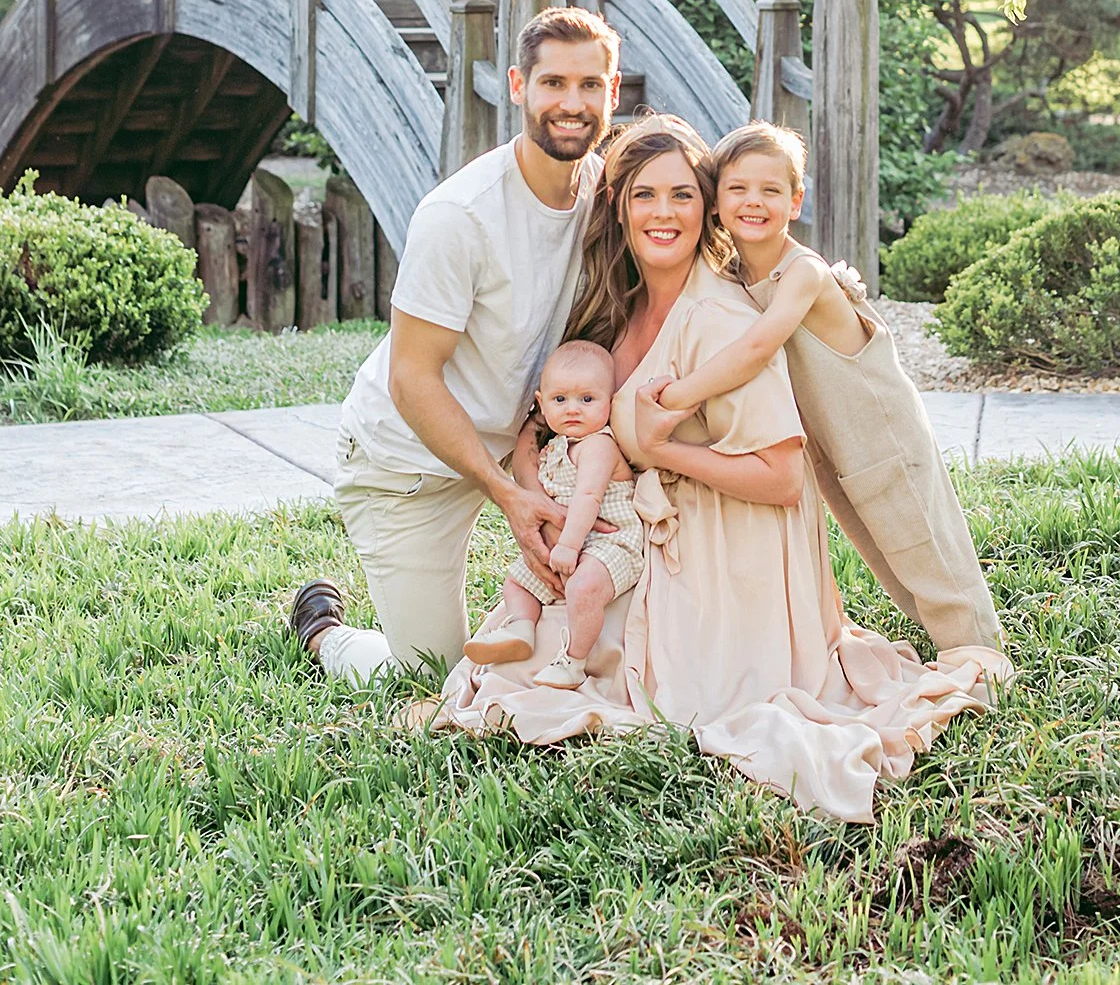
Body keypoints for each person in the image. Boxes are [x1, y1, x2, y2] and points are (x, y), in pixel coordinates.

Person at [429, 117, 1010, 822]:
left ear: (706, 207)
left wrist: (665, 452)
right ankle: (331, 633)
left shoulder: (720, 316)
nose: (664, 212)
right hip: (644, 533)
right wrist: (535, 498)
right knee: (518, 655)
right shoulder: (616, 309)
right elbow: (547, 425)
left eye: (682, 195)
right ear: (619, 206)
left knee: (596, 680)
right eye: (645, 195)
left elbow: (783, 479)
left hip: (734, 554)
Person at [288, 6, 619, 683]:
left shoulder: (606, 194)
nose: (572, 103)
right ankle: (325, 634)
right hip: (406, 464)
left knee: (584, 639)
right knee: (434, 676)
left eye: (590, 85)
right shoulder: (459, 215)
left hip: (520, 447)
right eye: (553, 83)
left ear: (613, 92)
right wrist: (506, 493)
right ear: (518, 85)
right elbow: (412, 378)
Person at [655, 121, 1004, 655]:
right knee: (880, 549)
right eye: (738, 188)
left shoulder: (804, 273)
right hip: (832, 443)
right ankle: (945, 641)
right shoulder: (734, 274)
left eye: (771, 190)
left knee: (922, 543)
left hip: (881, 434)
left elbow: (757, 348)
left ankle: (979, 652)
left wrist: (677, 397)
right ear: (716, 202)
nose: (754, 201)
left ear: (795, 202)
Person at [465, 339, 642, 689]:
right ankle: (520, 628)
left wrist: (568, 547)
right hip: (573, 541)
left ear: (610, 401)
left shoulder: (599, 445)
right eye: (560, 400)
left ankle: (573, 661)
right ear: (541, 404)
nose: (573, 409)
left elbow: (589, 498)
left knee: (584, 587)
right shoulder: (555, 447)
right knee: (517, 581)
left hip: (611, 541)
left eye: (587, 400)